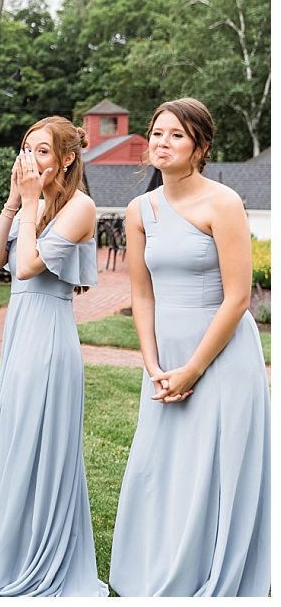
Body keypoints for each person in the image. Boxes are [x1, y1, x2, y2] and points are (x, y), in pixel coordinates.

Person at [109, 98, 269, 597]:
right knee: (162, 466)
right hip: (165, 359)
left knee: (213, 465)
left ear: (200, 146)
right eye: (157, 133)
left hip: (219, 355)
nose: (162, 142)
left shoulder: (223, 203)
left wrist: (193, 369)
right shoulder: (140, 209)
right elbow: (140, 293)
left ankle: (213, 569)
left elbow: (238, 297)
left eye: (176, 135)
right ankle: (158, 564)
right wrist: (154, 364)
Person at [0, 116, 104, 596]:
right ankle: (16, 547)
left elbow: (27, 265)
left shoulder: (79, 207)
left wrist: (28, 205)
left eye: (42, 151)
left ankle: (45, 554)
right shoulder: (30, 204)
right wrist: (12, 204)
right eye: (26, 149)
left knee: (41, 441)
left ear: (67, 158)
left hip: (48, 336)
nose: (30, 159)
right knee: (15, 439)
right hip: (18, 331)